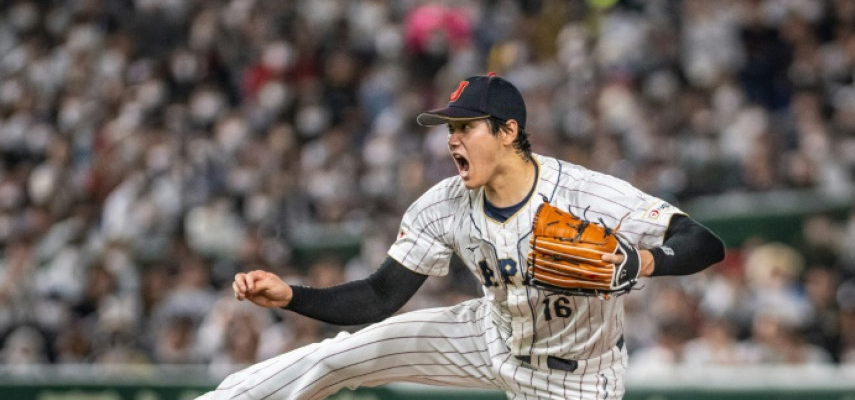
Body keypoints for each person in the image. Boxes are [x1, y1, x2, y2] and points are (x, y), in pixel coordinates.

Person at [198, 73, 725, 399]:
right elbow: (380, 295)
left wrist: (643, 263)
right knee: (337, 357)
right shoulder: (444, 202)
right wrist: (292, 296)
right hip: (487, 335)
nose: (451, 140)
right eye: (448, 130)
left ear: (508, 131)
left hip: (577, 378)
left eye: (465, 127)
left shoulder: (584, 193)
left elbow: (702, 241)